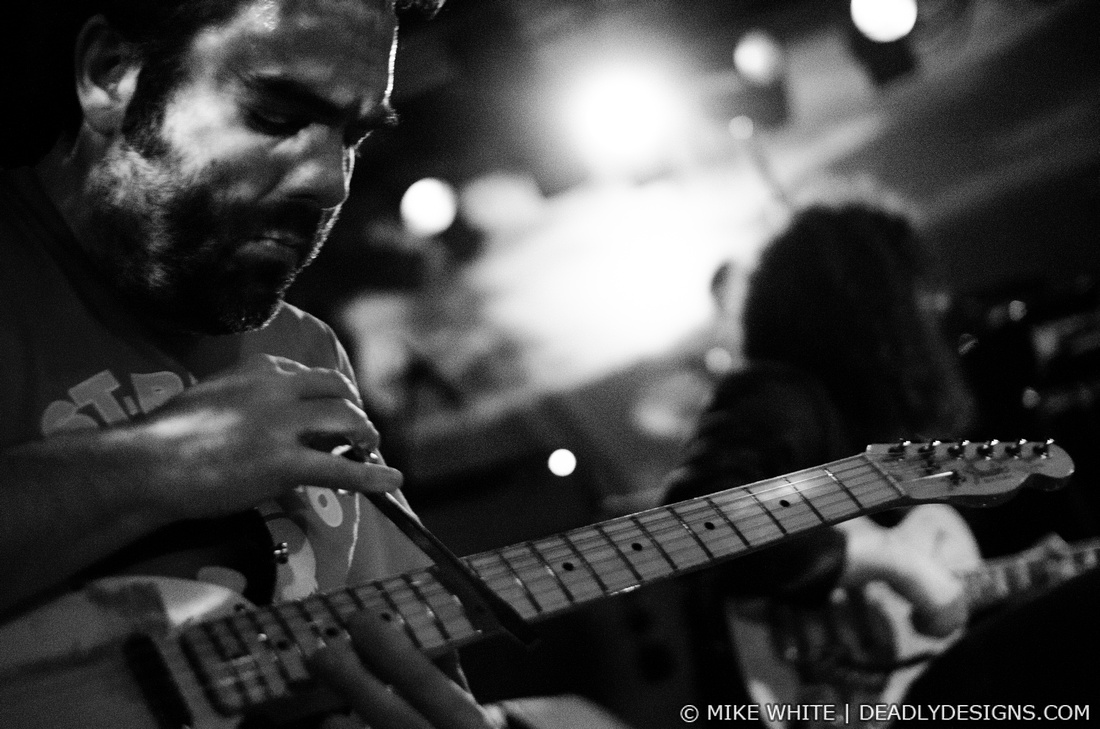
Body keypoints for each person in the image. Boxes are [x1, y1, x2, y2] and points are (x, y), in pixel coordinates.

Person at [0, 1, 511, 727]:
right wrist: (155, 464)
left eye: (352, 137)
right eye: (274, 114)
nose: (329, 182)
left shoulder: (306, 352)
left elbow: (418, 672)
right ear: (110, 76)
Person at [663, 200, 985, 725]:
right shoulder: (778, 394)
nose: (933, 310)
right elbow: (691, 522)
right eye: (914, 296)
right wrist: (900, 565)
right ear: (874, 310)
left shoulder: (845, 413)